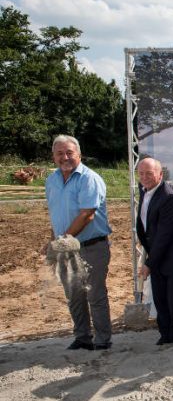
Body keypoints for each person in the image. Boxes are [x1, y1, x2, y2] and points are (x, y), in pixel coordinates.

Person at [45, 135, 113, 350]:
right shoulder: (52, 180)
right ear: (53, 157)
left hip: (92, 246)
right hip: (66, 250)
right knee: (74, 295)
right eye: (60, 153)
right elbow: (56, 215)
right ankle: (82, 337)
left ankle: (102, 340)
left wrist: (61, 241)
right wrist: (52, 240)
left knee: (95, 295)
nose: (65, 157)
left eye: (69, 153)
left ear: (79, 154)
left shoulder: (89, 179)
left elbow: (87, 215)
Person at [135, 157, 173, 345]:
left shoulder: (168, 197)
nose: (145, 177)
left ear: (160, 175)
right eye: (141, 173)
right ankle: (165, 334)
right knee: (160, 296)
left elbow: (164, 236)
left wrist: (148, 264)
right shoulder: (145, 191)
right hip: (159, 254)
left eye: (149, 173)